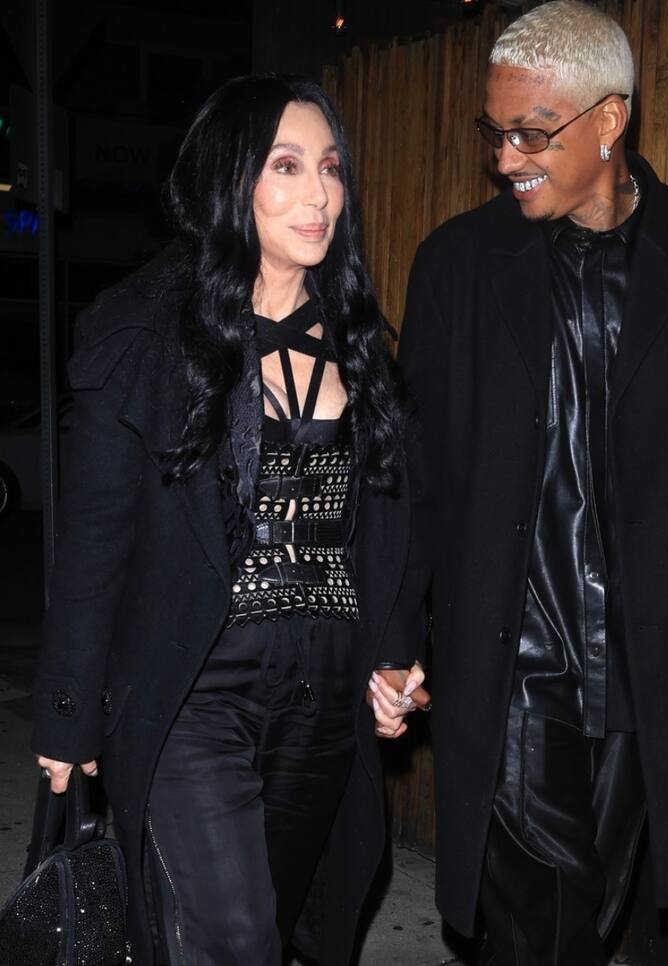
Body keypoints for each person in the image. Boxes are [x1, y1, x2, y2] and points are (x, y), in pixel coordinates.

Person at [390, 2, 668, 964]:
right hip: (513, 670)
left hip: (651, 677)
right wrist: (393, 639)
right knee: (541, 924)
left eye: (532, 133)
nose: (506, 157)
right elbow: (416, 475)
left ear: (610, 120)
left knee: (582, 920)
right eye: (495, 132)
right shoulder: (458, 265)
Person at [31, 74, 427, 966]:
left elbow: (392, 519)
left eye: (330, 168)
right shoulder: (144, 335)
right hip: (196, 684)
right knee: (233, 938)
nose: (319, 195)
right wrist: (67, 715)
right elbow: (94, 539)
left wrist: (394, 653)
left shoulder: (357, 334)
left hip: (324, 689)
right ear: (229, 179)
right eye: (286, 166)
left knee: (270, 926)